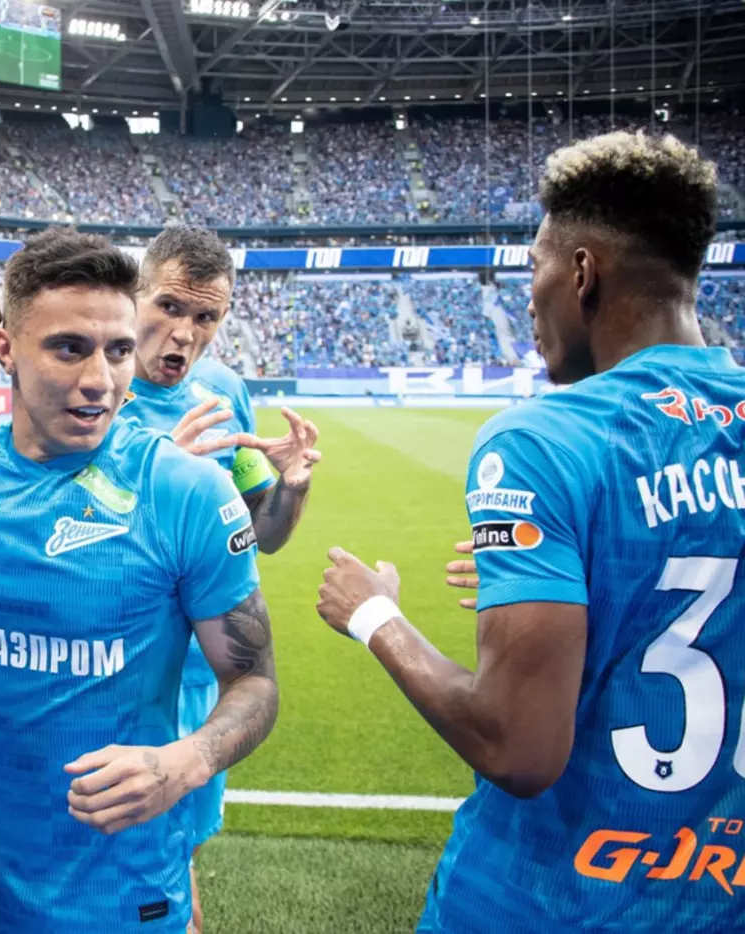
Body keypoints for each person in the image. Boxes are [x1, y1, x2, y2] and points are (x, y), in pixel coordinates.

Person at [316, 131, 743, 931]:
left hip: (545, 901)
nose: (527, 295)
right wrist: (575, 577)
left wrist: (374, 616)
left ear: (582, 273)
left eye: (534, 267)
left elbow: (518, 747)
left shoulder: (546, 439)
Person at [0, 227, 280, 932]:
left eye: (117, 350)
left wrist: (185, 763)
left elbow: (254, 681)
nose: (101, 380)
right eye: (69, 348)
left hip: (123, 887)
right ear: (6, 350)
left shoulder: (188, 491)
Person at [120, 225, 320, 931]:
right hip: (116, 677)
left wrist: (291, 487)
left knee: (179, 854)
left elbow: (261, 532)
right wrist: (158, 475)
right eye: (170, 307)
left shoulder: (224, 391)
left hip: (204, 680)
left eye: (206, 316)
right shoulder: (92, 389)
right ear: (135, 295)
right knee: (115, 873)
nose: (185, 333)